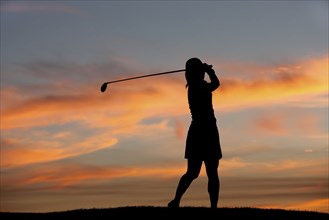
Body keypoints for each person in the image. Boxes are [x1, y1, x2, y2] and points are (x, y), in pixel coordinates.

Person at [168, 57, 222, 209]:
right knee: (201, 172)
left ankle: (177, 201)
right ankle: (178, 200)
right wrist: (210, 71)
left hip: (200, 130)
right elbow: (216, 84)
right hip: (205, 130)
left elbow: (215, 84)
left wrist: (205, 70)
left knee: (198, 172)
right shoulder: (197, 87)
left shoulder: (195, 86)